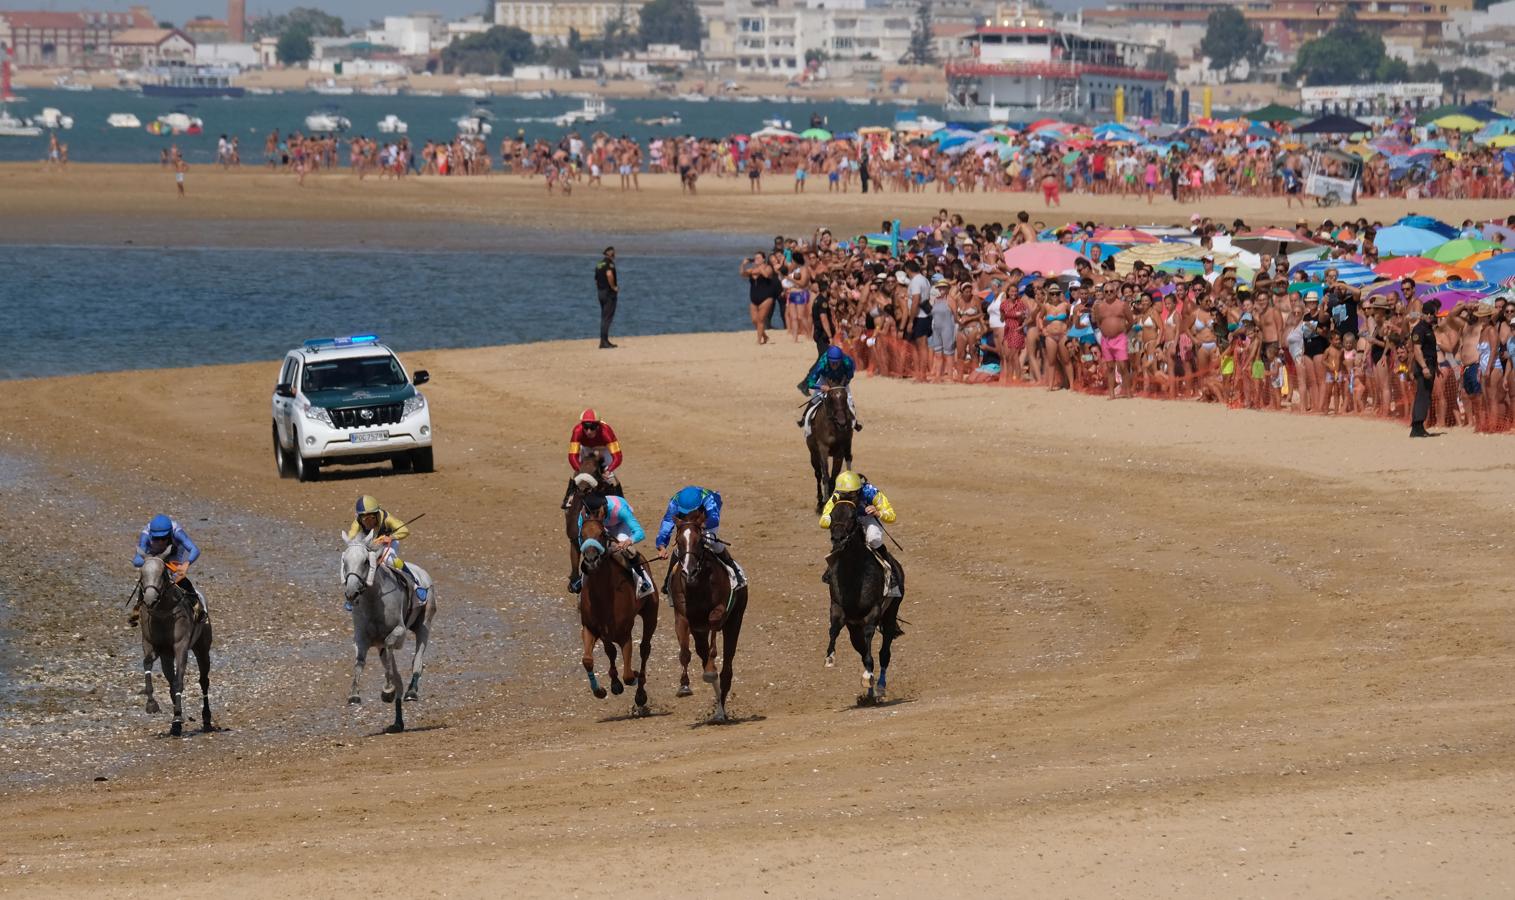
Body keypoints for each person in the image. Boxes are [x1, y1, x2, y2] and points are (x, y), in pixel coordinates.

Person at [818, 471, 904, 634]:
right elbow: (823, 520)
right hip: (847, 521)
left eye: (850, 495)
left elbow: (891, 516)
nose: (846, 497)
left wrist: (878, 512)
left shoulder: (871, 492)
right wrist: (833, 519)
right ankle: (831, 571)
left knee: (873, 538)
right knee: (841, 541)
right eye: (843, 494)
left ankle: (890, 575)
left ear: (858, 491)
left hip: (866, 519)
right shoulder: (837, 495)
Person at [654, 485, 746, 590]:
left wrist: (700, 527)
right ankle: (668, 580)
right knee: (682, 545)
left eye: (689, 511)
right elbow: (667, 523)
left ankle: (735, 570)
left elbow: (714, 519)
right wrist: (662, 546)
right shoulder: (675, 502)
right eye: (684, 511)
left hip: (706, 519)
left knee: (710, 540)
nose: (687, 513)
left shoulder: (708, 498)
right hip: (687, 522)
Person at [345, 495, 429, 609]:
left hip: (387, 544)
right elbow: (351, 538)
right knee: (353, 560)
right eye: (366, 519)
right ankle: (351, 595)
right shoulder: (357, 522)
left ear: (377, 514)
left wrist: (391, 537)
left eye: (372, 518)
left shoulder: (387, 518)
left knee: (388, 559)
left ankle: (415, 585)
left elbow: (405, 531)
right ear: (360, 517)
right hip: (369, 545)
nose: (369, 522)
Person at [574, 493, 656, 598]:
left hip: (620, 524)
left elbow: (639, 532)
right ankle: (582, 579)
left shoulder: (620, 510)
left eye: (595, 513)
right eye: (590, 514)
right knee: (592, 550)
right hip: (601, 526)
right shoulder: (584, 514)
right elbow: (581, 538)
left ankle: (642, 578)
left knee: (626, 550)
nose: (591, 516)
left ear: (602, 509)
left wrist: (628, 541)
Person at [131, 514, 207, 624]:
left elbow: (195, 550)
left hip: (173, 553)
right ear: (151, 535)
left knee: (177, 576)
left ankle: (196, 604)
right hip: (153, 555)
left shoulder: (177, 532)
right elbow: (136, 561)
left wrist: (186, 564)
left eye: (164, 538)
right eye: (157, 539)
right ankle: (138, 607)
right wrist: (153, 562)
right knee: (150, 574)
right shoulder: (145, 536)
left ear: (171, 534)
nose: (161, 542)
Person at [798, 344, 863, 432]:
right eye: (832, 362)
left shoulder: (847, 362)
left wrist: (842, 385)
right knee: (815, 398)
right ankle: (804, 418)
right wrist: (821, 387)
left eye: (837, 363)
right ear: (828, 360)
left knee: (849, 400)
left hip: (841, 380)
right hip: (825, 379)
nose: (834, 365)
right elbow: (810, 382)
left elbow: (850, 375)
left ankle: (855, 423)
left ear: (841, 360)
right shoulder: (822, 364)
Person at [565, 408, 623, 492]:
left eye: (592, 427)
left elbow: (618, 457)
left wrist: (608, 471)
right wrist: (580, 470)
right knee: (576, 478)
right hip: (586, 448)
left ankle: (620, 501)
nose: (589, 431)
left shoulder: (606, 431)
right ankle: (569, 500)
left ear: (598, 426)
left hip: (604, 449)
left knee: (611, 480)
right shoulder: (577, 431)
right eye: (585, 427)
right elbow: (572, 457)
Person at [1410, 300, 1440, 437]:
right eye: (1426, 313)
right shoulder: (1419, 329)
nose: (1429, 315)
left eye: (1431, 313)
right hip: (1424, 365)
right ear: (1422, 314)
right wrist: (1424, 367)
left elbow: (1431, 350)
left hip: (1430, 364)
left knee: (1426, 395)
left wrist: (1436, 367)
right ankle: (1416, 426)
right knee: (1422, 395)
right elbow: (1417, 349)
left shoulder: (1428, 328)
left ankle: (1419, 426)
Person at [594, 246, 618, 349]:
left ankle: (604, 340)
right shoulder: (609, 263)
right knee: (607, 318)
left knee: (604, 317)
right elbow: (609, 275)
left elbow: (596, 280)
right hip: (609, 293)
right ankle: (604, 342)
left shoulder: (599, 264)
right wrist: (614, 287)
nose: (614, 255)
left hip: (600, 292)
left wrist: (600, 289)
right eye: (613, 253)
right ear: (610, 254)